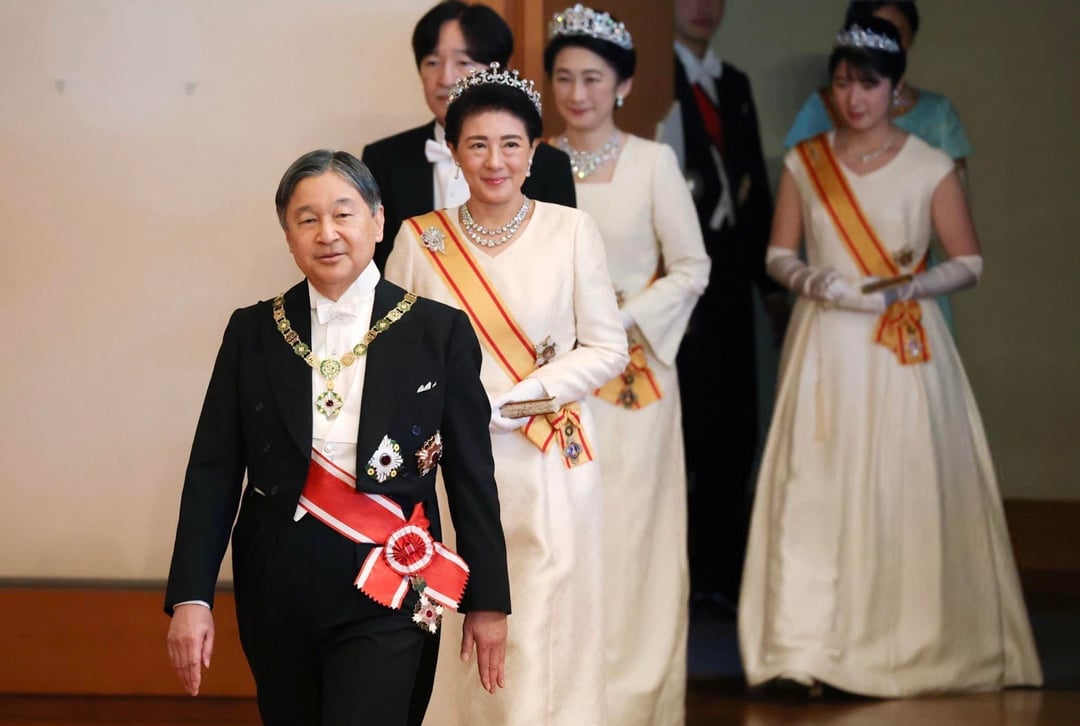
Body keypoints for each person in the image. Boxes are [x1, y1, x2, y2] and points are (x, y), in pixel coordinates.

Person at [737, 18, 1042, 697]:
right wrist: (810, 278)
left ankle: (903, 645)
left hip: (899, 339)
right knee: (815, 484)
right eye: (842, 84)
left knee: (900, 483)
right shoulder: (805, 161)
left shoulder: (929, 164)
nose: (853, 99)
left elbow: (969, 260)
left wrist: (910, 285)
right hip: (825, 341)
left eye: (868, 85)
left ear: (896, 89)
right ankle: (803, 648)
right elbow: (778, 252)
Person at [164, 150, 511, 725]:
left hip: (392, 572)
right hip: (276, 578)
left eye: (343, 214)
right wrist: (191, 597)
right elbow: (213, 472)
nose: (327, 233)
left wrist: (488, 600)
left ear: (377, 221)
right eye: (307, 219)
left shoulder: (437, 330)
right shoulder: (252, 331)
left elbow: (473, 475)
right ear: (288, 236)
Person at [385, 62, 628, 726]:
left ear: (535, 151)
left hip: (545, 454)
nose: (495, 161)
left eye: (511, 144)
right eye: (478, 145)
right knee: (464, 614)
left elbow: (608, 348)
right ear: (455, 151)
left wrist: (515, 401)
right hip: (453, 470)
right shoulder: (419, 238)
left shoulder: (569, 230)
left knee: (546, 618)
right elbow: (394, 353)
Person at [543, 6, 709, 724]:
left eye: (592, 78)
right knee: (561, 527)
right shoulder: (534, 159)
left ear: (623, 85)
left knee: (632, 527)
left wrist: (620, 319)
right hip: (555, 377)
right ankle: (560, 690)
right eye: (563, 78)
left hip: (633, 377)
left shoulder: (653, 163)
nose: (576, 93)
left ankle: (635, 692)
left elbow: (693, 268)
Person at [658, 0, 787, 610]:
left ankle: (723, 570)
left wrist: (772, 288)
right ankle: (680, 571)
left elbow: (754, 194)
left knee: (734, 423)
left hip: (731, 281)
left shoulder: (732, 83)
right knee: (682, 422)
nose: (704, 6)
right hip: (671, 279)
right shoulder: (654, 74)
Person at [784, 0, 973, 335]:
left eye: (895, 33)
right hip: (835, 294)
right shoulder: (822, 108)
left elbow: (955, 226)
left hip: (910, 287)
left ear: (910, 40)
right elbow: (798, 204)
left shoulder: (937, 113)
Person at [362, 1, 576, 271]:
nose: (446, 78)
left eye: (463, 62)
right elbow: (373, 269)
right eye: (432, 62)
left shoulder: (550, 165)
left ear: (499, 70)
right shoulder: (383, 159)